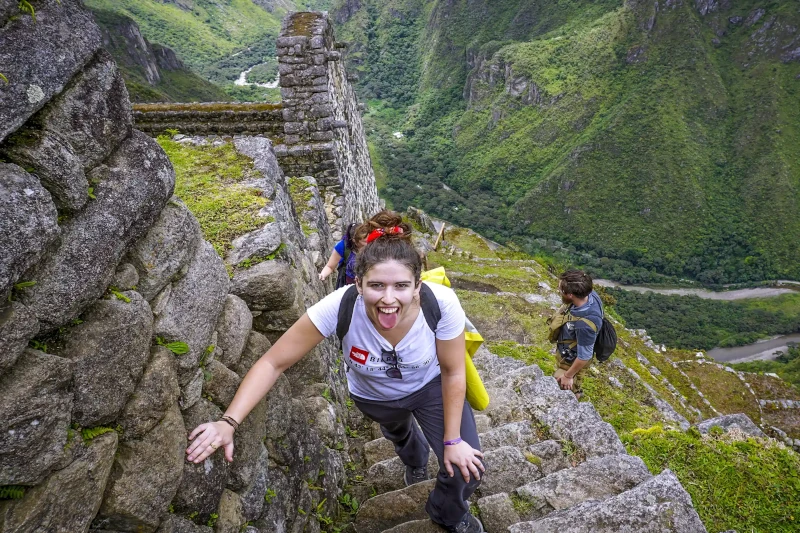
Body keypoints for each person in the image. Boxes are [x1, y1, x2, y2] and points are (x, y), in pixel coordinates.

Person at [186, 210, 486, 533]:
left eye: (401, 285)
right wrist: (229, 421)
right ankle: (414, 462)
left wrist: (453, 439)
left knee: (466, 470)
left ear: (417, 285)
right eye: (376, 285)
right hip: (375, 398)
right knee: (403, 437)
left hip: (430, 389)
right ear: (357, 283)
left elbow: (454, 372)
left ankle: (448, 513)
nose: (388, 299)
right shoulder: (340, 306)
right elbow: (273, 362)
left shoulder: (441, 304)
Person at [553, 269, 604, 400]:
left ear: (570, 295)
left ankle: (573, 397)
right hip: (570, 348)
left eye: (560, 289)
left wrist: (568, 376)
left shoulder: (584, 324)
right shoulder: (590, 294)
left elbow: (584, 356)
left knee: (563, 384)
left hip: (572, 360)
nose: (559, 290)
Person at [319, 222, 363, 288]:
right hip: (348, 286)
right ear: (354, 240)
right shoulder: (343, 246)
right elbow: (330, 266)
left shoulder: (372, 243)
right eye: (363, 239)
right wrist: (323, 275)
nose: (367, 241)